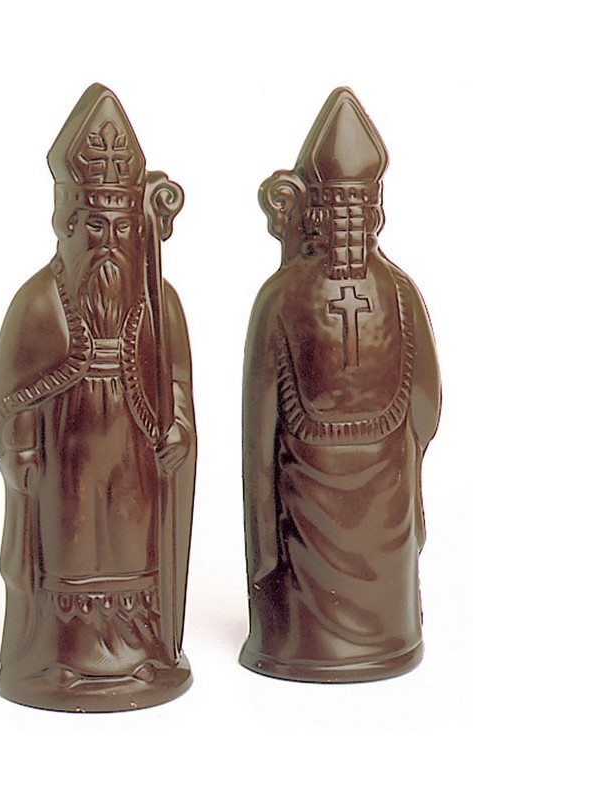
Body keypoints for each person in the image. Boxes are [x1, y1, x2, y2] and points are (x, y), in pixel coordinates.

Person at [0, 84, 196, 711]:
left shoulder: (159, 300)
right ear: (68, 225)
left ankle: (139, 651)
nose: (110, 241)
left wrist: (178, 426)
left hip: (132, 447)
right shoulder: (37, 302)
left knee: (133, 541)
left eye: (123, 226)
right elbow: (12, 395)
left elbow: (177, 380)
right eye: (96, 226)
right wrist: (23, 449)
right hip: (68, 454)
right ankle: (64, 655)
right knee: (72, 543)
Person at [240, 88, 441, 682]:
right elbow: (426, 404)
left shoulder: (292, 293)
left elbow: (259, 428)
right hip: (328, 488)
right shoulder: (381, 290)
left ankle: (335, 635)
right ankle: (334, 632)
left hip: (370, 485)